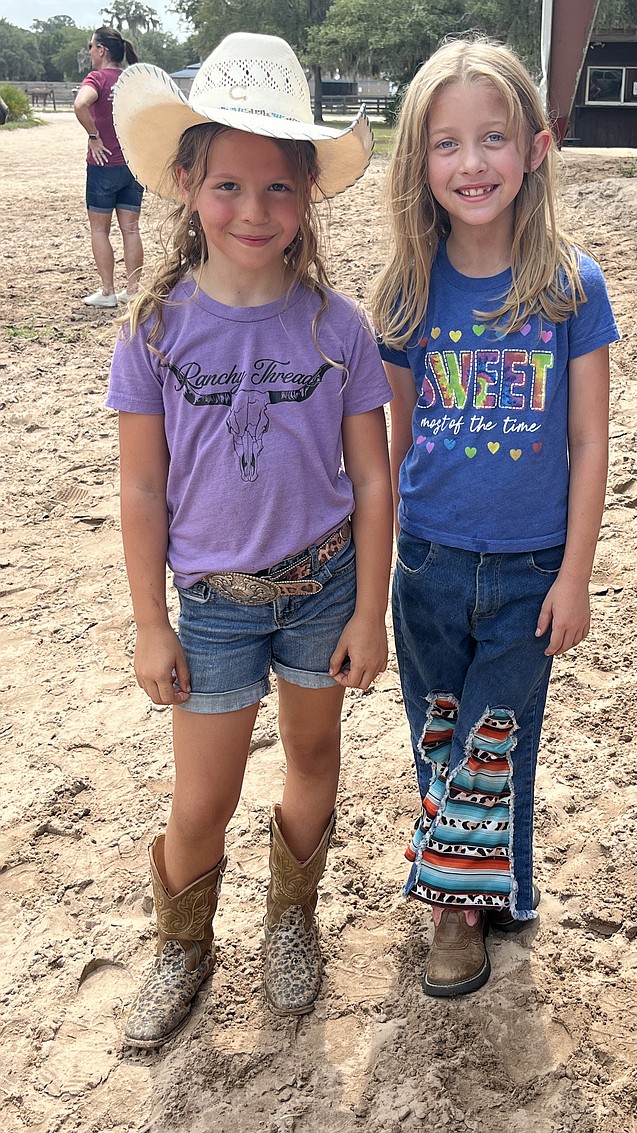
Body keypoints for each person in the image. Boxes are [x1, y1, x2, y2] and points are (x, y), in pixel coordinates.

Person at [106, 32, 393, 1047]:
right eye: (228, 184)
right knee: (205, 792)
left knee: (313, 754)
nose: (254, 210)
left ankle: (290, 921)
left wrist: (368, 607)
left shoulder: (339, 329)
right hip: (214, 605)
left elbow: (369, 476)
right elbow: (143, 487)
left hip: (323, 588)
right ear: (187, 182)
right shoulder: (153, 330)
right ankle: (181, 944)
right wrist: (151, 622)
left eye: (278, 188)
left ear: (307, 193)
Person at [372, 37, 619, 997]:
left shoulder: (570, 286)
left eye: (492, 138)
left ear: (538, 146)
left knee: (497, 738)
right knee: (443, 734)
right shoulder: (404, 294)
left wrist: (575, 574)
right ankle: (482, 886)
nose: (471, 164)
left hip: (529, 569)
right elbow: (388, 454)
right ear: (419, 162)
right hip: (428, 566)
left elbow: (590, 442)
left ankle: (454, 914)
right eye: (446, 144)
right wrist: (374, 583)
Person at [74, 26, 144, 307]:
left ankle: (107, 292)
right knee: (131, 230)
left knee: (100, 230)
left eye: (91, 47)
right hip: (131, 165)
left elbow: (81, 104)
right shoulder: (130, 80)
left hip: (103, 165)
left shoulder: (97, 78)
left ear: (101, 50)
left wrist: (93, 136)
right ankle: (134, 289)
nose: (90, 52)